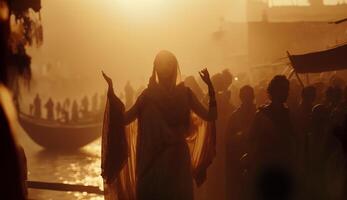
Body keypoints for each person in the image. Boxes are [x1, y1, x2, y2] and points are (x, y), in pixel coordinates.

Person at [101, 50, 217, 200]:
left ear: (174, 67)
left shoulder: (185, 94)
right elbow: (124, 120)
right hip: (152, 163)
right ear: (155, 67)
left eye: (168, 63)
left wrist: (211, 89)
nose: (164, 67)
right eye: (160, 63)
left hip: (178, 163)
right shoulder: (147, 97)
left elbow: (211, 116)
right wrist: (112, 96)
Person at [249, 75, 297, 199]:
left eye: (287, 89)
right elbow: (251, 138)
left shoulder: (288, 114)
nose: (286, 93)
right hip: (266, 166)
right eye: (282, 89)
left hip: (283, 165)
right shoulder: (261, 114)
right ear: (274, 91)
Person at [225, 85, 256, 200]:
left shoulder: (259, 114)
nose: (248, 99)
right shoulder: (234, 117)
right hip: (238, 160)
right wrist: (242, 134)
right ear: (241, 98)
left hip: (255, 159)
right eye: (245, 97)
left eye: (249, 97)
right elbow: (228, 140)